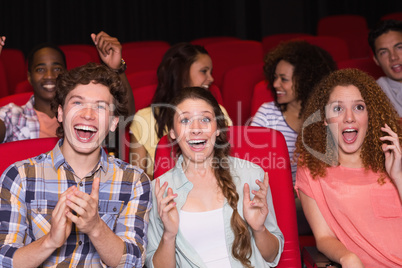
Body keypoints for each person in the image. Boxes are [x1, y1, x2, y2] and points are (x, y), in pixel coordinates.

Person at [0, 62, 152, 267]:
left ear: (114, 122)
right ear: (61, 113)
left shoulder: (134, 181)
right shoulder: (19, 176)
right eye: (78, 103)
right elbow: (4, 260)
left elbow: (133, 262)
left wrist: (96, 227)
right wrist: (50, 241)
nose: (87, 114)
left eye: (100, 106)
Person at [146, 87, 283, 268]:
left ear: (217, 128)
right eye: (185, 120)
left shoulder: (252, 176)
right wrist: (169, 236)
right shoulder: (159, 190)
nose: (196, 129)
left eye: (205, 119)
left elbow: (272, 256)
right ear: (172, 131)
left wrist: (259, 229)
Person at [295, 68, 402, 267]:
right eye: (338, 109)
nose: (349, 117)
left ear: (370, 115)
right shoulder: (312, 169)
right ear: (325, 119)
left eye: (359, 107)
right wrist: (348, 258)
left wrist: (398, 176)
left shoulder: (396, 155)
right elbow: (324, 237)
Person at [0, 31, 135, 143]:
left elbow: (125, 118)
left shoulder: (84, 112)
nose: (49, 75)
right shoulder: (12, 115)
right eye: (40, 69)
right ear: (29, 77)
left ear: (65, 73)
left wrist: (116, 68)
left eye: (57, 68)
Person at [129, 42, 232, 179]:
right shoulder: (144, 118)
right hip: (162, 193)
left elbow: (229, 162)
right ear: (182, 74)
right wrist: (174, 184)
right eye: (203, 71)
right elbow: (136, 177)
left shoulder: (218, 112)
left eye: (205, 120)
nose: (211, 78)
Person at [250, 40, 337, 182]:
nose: (275, 84)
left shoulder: (328, 115)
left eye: (283, 79)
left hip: (318, 193)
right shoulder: (266, 113)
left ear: (306, 81)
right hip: (280, 196)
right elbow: (252, 166)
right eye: (275, 77)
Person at [368, 19, 402, 117]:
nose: (393, 57)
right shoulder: (373, 94)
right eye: (384, 52)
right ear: (376, 60)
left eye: (399, 47)